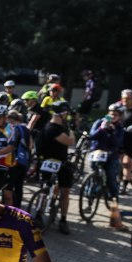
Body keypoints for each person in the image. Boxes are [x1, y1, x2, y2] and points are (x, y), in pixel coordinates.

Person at [39, 100, 77, 234]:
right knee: (64, 191)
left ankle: (46, 215)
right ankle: (62, 220)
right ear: (63, 114)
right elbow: (71, 142)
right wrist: (72, 130)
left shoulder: (51, 126)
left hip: (49, 162)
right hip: (58, 163)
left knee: (46, 188)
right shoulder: (53, 129)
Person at [88, 103, 126, 229]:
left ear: (120, 116)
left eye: (116, 115)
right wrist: (102, 128)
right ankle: (89, 201)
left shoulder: (120, 128)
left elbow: (118, 143)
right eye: (111, 114)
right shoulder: (100, 122)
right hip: (97, 154)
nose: (113, 116)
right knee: (93, 177)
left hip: (111, 156)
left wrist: (112, 132)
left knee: (111, 178)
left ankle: (114, 202)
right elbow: (92, 136)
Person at [5, 110, 33, 210]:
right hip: (25, 160)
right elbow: (30, 146)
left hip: (14, 161)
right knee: (19, 186)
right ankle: (18, 209)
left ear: (11, 119)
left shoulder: (14, 129)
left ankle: (11, 208)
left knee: (9, 187)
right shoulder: (27, 129)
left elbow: (10, 146)